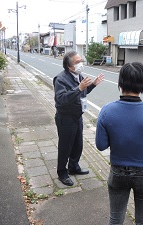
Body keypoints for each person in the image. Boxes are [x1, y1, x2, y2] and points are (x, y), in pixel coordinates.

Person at [95, 62, 143, 225]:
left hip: (118, 171)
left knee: (116, 218)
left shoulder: (107, 111)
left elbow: (101, 145)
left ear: (120, 83)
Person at [53, 50, 104, 186]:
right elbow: (61, 99)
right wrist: (79, 88)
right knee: (65, 146)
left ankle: (73, 167)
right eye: (77, 62)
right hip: (65, 118)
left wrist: (93, 84)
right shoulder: (61, 79)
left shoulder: (78, 76)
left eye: (81, 60)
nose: (81, 64)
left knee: (77, 144)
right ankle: (62, 172)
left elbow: (83, 92)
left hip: (77, 116)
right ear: (69, 66)